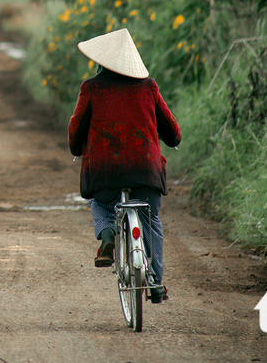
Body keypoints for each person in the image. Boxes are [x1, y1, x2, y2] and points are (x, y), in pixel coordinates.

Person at [67, 28, 181, 304]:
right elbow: (172, 131)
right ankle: (154, 281)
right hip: (146, 172)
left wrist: (76, 147)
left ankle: (106, 233)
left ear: (101, 63)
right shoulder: (149, 87)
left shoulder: (92, 88)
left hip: (105, 174)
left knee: (101, 203)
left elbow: (76, 131)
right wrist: (170, 139)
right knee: (150, 218)